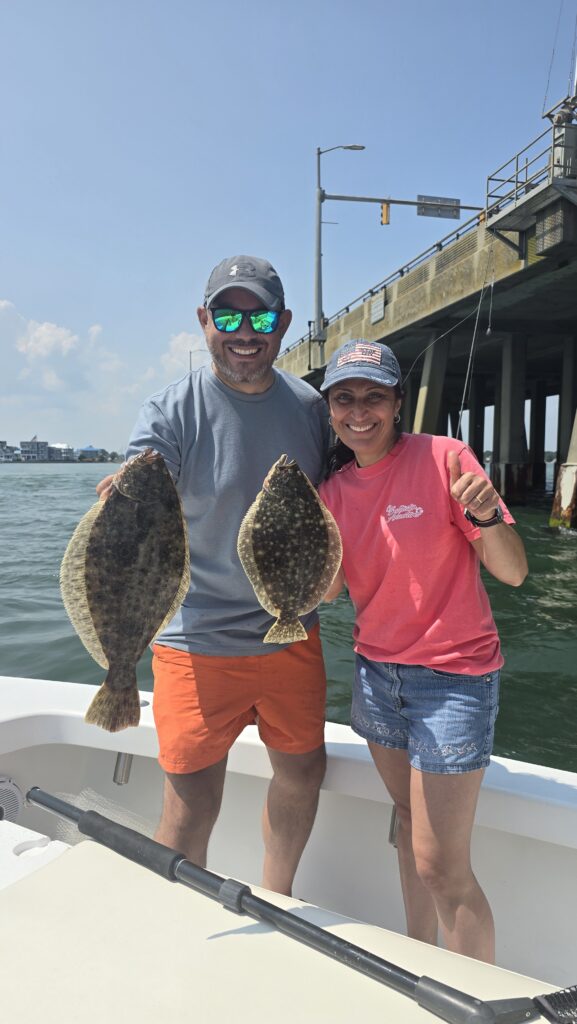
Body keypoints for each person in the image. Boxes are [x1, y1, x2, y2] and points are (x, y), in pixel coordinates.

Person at [97, 256, 330, 895]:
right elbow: (150, 467)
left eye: (258, 315)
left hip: (290, 629)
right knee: (191, 801)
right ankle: (174, 917)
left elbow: (345, 500)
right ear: (204, 321)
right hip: (194, 637)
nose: (244, 330)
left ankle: (277, 898)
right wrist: (126, 491)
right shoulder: (170, 410)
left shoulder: (312, 407)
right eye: (227, 315)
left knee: (303, 772)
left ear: (283, 324)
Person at [318, 338, 528, 963]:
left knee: (441, 865)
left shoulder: (446, 458)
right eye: (345, 398)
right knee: (407, 826)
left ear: (398, 404)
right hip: (376, 675)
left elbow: (514, 573)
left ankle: (473, 998)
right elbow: (327, 590)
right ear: (330, 409)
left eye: (374, 397)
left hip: (454, 679)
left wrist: (489, 515)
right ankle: (420, 961)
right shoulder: (330, 492)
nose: (360, 411)